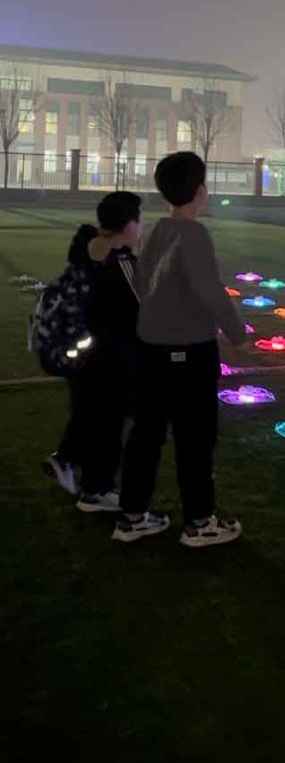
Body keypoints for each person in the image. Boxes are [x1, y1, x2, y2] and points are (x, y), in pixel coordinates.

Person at [114, 152, 248, 548]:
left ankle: (132, 516)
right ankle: (200, 522)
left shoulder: (157, 231)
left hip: (150, 349)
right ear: (200, 190)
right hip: (189, 352)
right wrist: (236, 333)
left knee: (146, 434)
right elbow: (210, 291)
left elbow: (141, 283)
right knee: (195, 438)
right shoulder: (194, 235)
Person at [43, 193, 141, 512]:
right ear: (128, 225)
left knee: (89, 415)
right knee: (109, 425)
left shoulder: (86, 251)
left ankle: (78, 472)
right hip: (113, 358)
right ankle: (92, 486)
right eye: (138, 220)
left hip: (82, 353)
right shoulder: (122, 261)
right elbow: (143, 310)